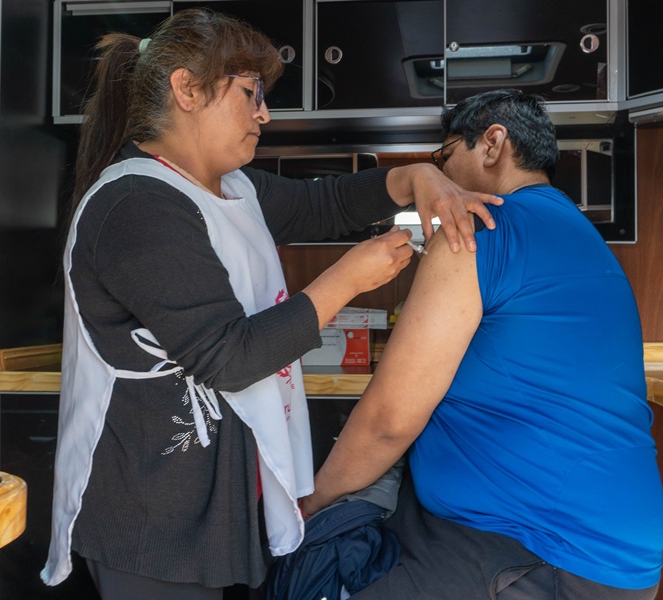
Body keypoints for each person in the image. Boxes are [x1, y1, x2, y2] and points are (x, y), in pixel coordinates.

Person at [39, 8, 501, 599]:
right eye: (250, 93)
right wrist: (347, 280)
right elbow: (227, 356)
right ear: (186, 89)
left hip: (214, 508)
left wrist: (413, 178)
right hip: (153, 517)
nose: (264, 112)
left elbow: (324, 204)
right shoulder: (135, 205)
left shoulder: (231, 187)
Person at [301, 89, 663, 599]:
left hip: (541, 553)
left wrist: (310, 502)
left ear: (492, 144)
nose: (441, 177)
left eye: (445, 156)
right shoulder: (579, 234)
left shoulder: (478, 227)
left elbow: (389, 420)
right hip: (598, 549)